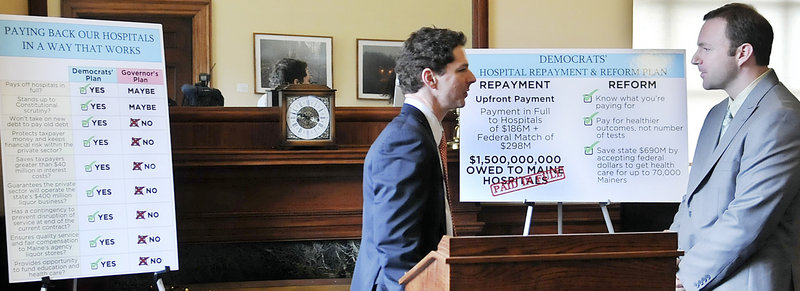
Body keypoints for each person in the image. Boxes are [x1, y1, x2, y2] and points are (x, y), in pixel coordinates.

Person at [670, 3, 800, 291]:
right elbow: (692, 203)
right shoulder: (716, 114)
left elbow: (747, 219)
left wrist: (685, 276)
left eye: (706, 48)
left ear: (743, 53)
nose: (695, 59)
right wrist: (663, 260)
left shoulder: (782, 115)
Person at [350, 27, 476, 291]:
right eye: (462, 69)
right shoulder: (406, 140)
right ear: (430, 78)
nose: (473, 78)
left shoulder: (419, 133)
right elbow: (397, 250)